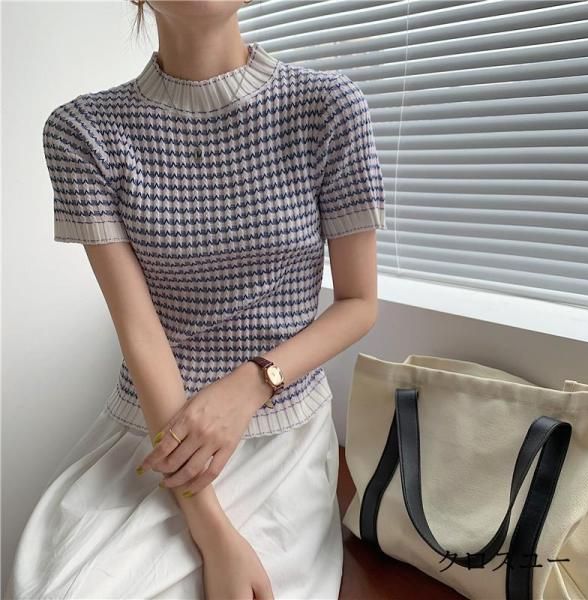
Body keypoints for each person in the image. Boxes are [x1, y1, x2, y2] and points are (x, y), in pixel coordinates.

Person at [5, 0, 386, 598]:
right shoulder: (83, 131)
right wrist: (211, 530)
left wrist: (252, 383)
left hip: (280, 430)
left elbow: (359, 303)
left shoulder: (327, 108)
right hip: (155, 428)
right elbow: (139, 330)